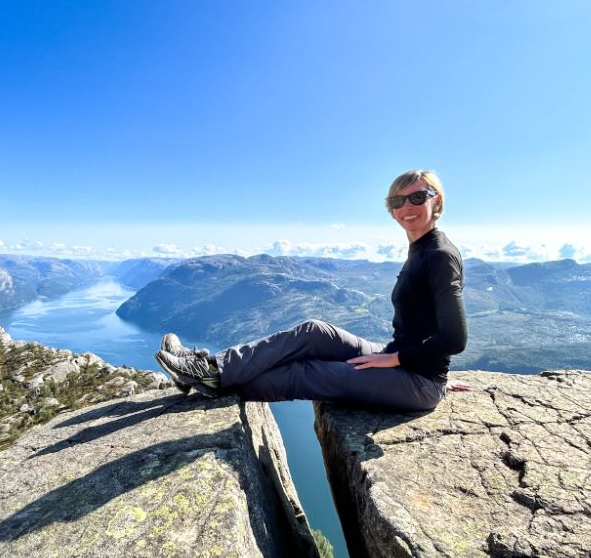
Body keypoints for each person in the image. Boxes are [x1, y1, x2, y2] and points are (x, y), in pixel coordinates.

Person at [155, 169, 468, 411]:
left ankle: (204, 380)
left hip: (417, 382)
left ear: (436, 200)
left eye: (417, 198)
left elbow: (455, 337)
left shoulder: (439, 255)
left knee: (303, 373)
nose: (406, 207)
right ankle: (210, 368)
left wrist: (401, 362)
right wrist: (402, 358)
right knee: (314, 331)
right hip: (403, 360)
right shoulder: (421, 248)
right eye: (397, 201)